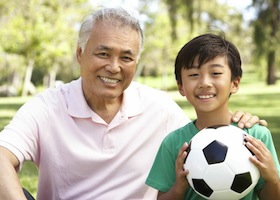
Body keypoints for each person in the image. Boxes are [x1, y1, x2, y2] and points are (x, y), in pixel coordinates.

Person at [0, 8, 267, 200]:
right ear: (80, 54)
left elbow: (206, 140)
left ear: (136, 64)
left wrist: (238, 122)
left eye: (126, 58)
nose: (114, 67)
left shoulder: (159, 108)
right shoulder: (47, 107)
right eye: (103, 53)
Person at [146, 33, 280, 200]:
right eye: (194, 75)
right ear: (181, 86)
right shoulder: (173, 143)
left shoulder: (256, 136)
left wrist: (272, 178)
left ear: (235, 83)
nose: (204, 83)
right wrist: (179, 188)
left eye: (215, 73)